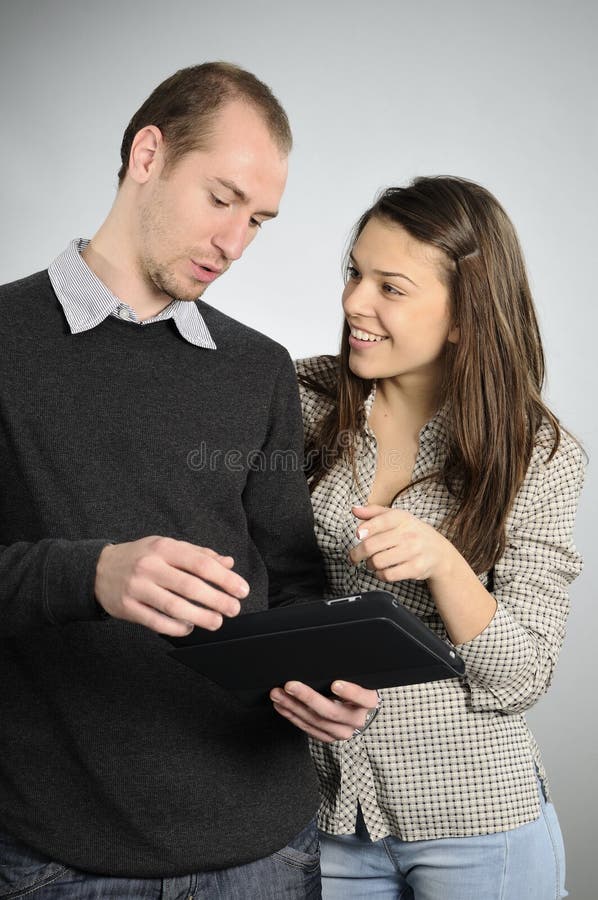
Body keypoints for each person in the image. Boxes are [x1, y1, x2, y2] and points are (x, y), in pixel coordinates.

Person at [0, 62, 375, 899]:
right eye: (220, 199)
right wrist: (88, 573)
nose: (234, 244)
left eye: (259, 221)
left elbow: (292, 584)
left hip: (267, 853)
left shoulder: (258, 368)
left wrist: (324, 680)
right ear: (147, 154)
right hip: (62, 860)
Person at [269, 176, 585, 899]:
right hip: (323, 817)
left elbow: (522, 677)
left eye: (391, 286)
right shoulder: (297, 401)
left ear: (463, 318)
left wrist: (445, 564)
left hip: (481, 822)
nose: (355, 301)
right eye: (354, 272)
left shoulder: (538, 453)